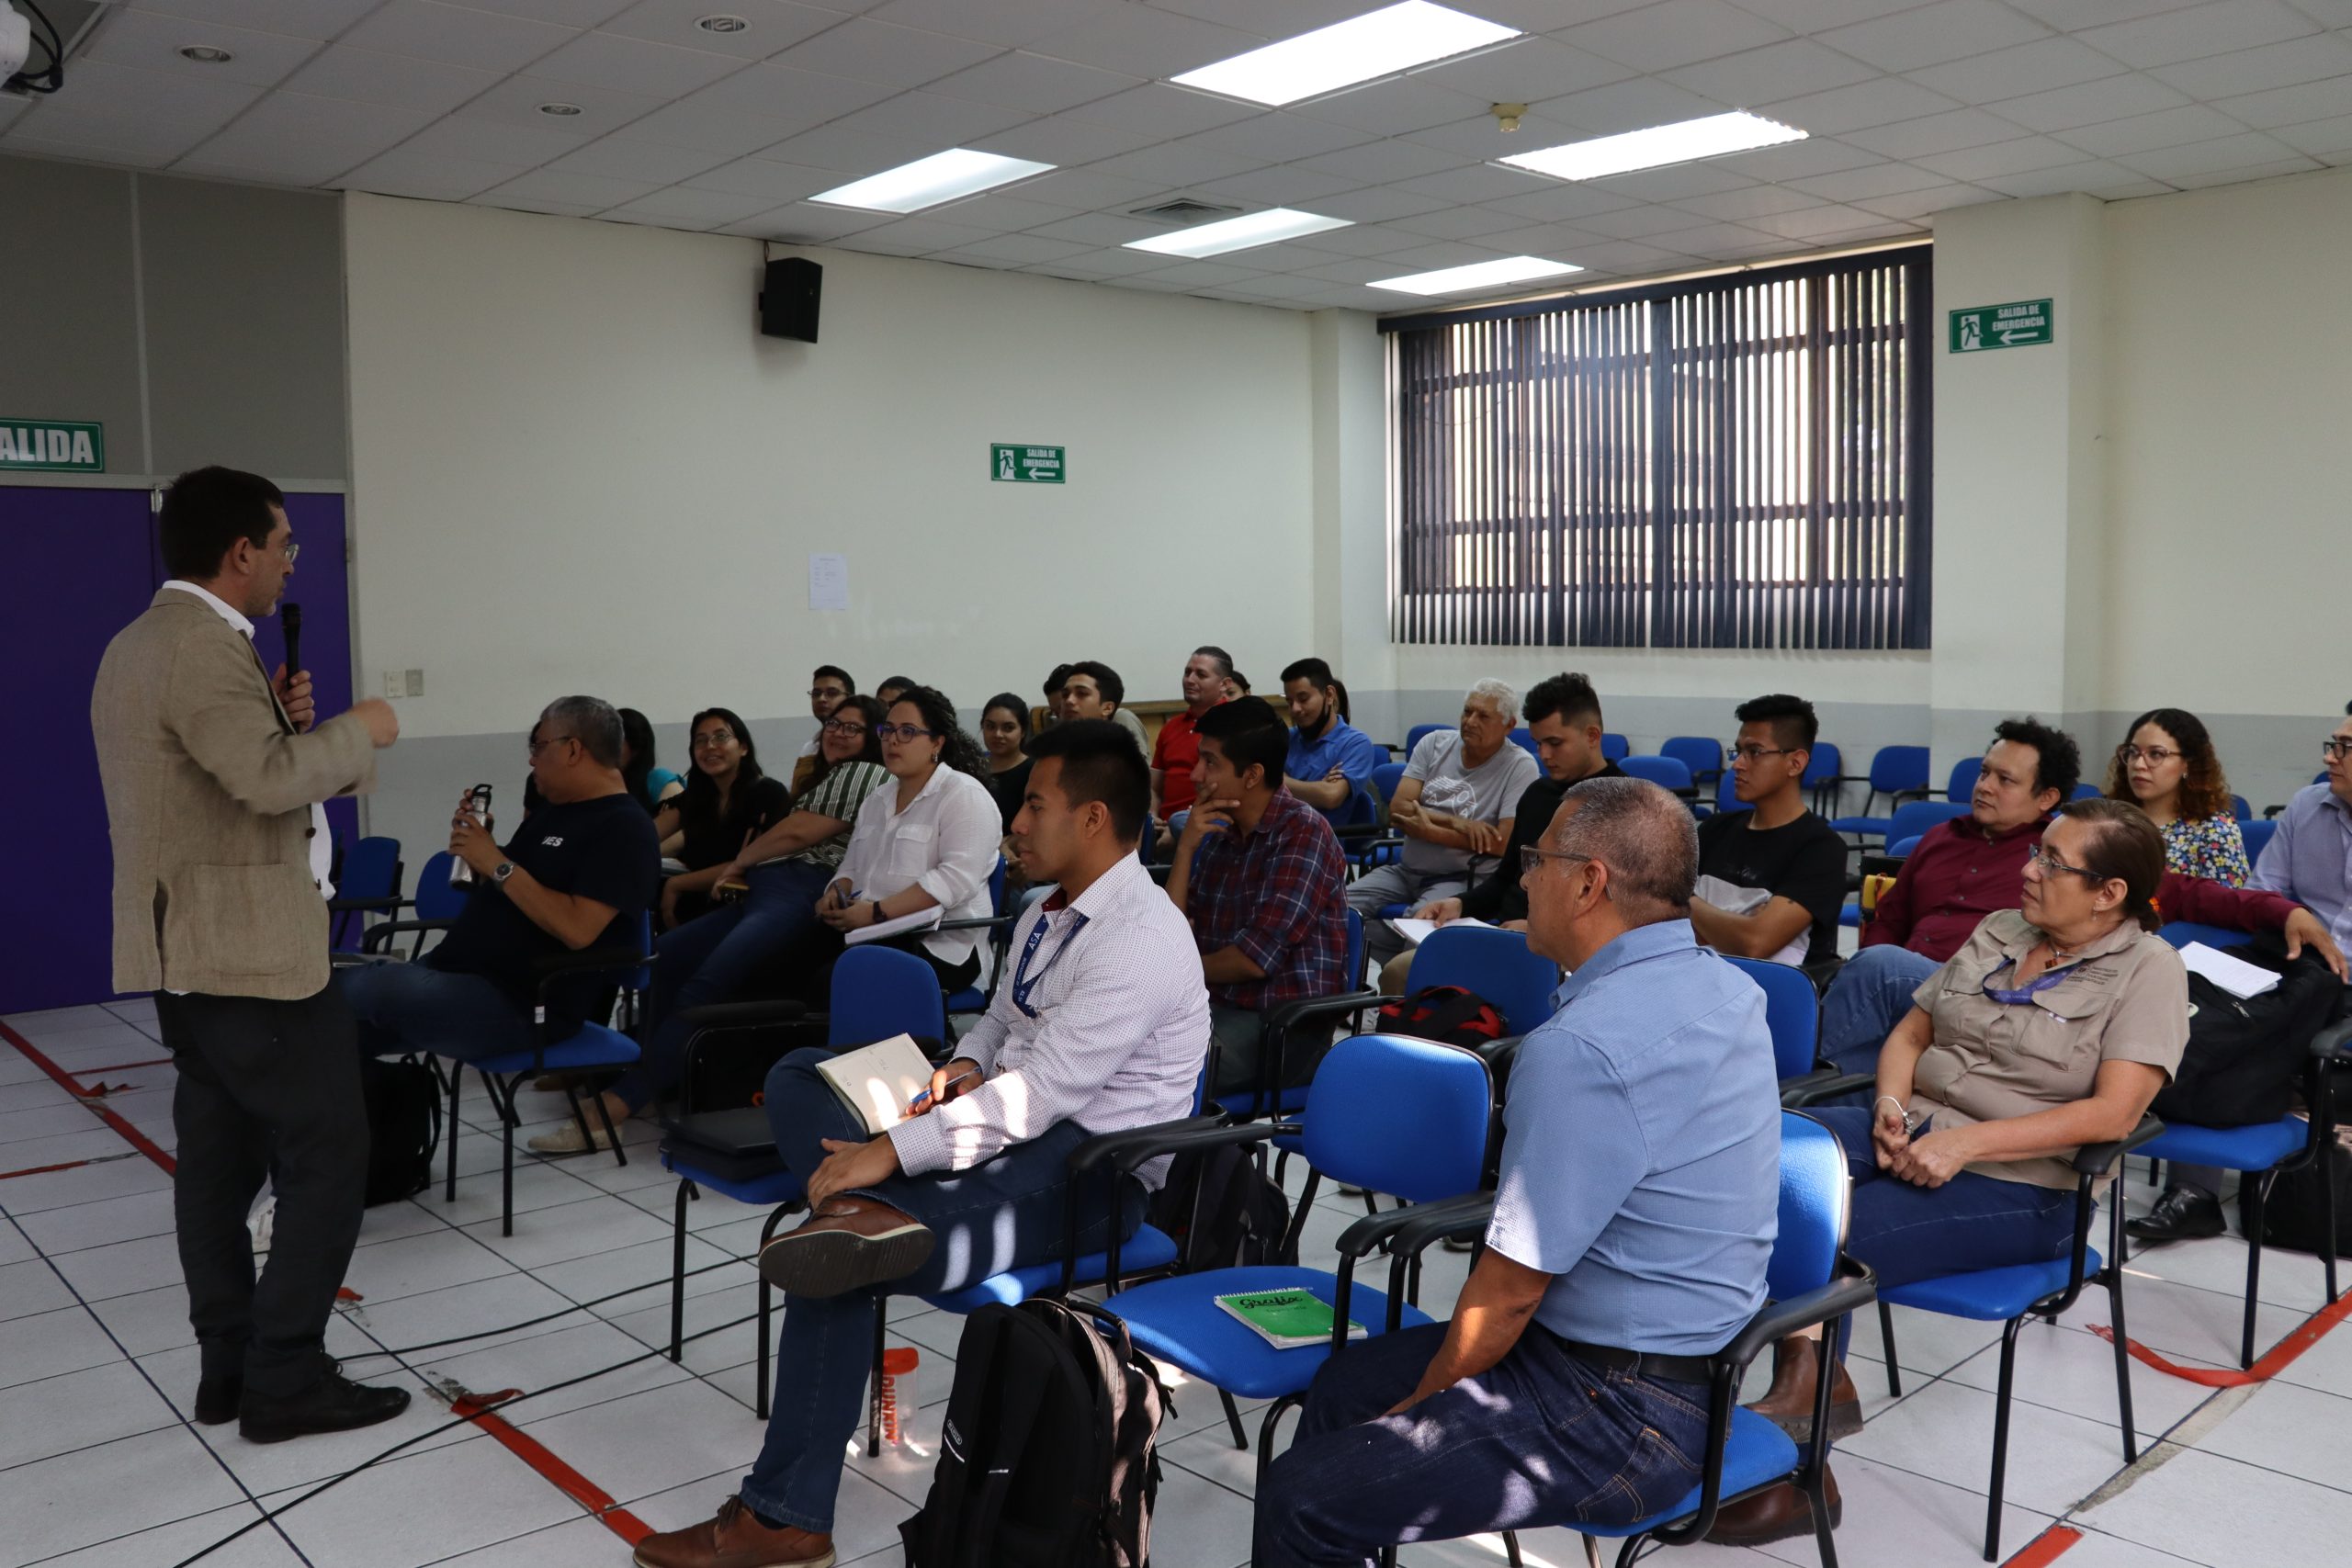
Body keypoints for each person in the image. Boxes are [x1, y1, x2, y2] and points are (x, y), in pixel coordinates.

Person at [633, 720, 1209, 1568]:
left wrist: (895, 1150)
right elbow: (1001, 1023)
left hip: (1088, 1174)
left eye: (1033, 805)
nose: (1016, 823)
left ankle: (785, 1515)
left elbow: (1044, 1094)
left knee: (837, 1258)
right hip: (1003, 1133)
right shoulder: (1046, 911)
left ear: (1093, 818)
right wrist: (963, 1067)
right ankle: (866, 1210)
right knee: (798, 1071)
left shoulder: (1140, 937)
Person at [1255, 777, 1780, 1566]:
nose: (1524, 877)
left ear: (1589, 882)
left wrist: (1420, 1411)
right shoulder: (1729, 986)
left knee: (1304, 1495)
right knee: (1343, 1387)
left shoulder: (1584, 1048)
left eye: (1537, 859)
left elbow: (1508, 1294)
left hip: (1626, 1413)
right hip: (1684, 1368)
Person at [1715, 799, 2188, 1544]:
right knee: (1749, 1165)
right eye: (2036, 852)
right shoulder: (2002, 928)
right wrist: (1890, 1104)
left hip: (2028, 1186)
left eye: (2052, 862)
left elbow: (2113, 1114)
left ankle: (1801, 1474)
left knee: (1824, 1233)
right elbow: (1910, 1033)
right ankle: (1795, 1388)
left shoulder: (2149, 970)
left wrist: (1966, 1145)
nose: (2029, 870)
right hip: (1918, 1125)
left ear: (2109, 892)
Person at [91, 465, 406, 1443]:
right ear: (240, 552)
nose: (288, 563)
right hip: (249, 959)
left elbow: (214, 779)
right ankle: (286, 1374)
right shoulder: (200, 643)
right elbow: (270, 783)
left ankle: (229, 1366)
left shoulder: (140, 642)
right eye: (282, 546)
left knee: (218, 1162)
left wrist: (274, 715)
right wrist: (360, 731)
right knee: (330, 1150)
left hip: (189, 952)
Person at [1819, 718, 2337, 1080]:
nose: (1985, 787)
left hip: (1992, 995)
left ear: (2046, 798)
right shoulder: (1939, 838)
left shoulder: (2071, 856)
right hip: (1915, 986)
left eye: (2005, 780)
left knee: (1875, 969)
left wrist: (2288, 910)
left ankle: (1816, 1090)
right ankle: (1850, 1093)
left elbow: (2198, 895)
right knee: (1864, 970)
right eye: (1983, 772)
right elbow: (1890, 920)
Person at [537, 697, 888, 1153]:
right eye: (834, 724)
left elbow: (797, 833)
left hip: (799, 888)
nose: (837, 732)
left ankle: (615, 1107)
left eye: (852, 728)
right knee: (667, 957)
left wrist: (738, 863)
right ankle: (650, 1081)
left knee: (707, 984)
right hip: (766, 886)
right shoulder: (817, 777)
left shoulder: (862, 771)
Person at [339, 696, 662, 1082]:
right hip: (457, 973)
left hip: (522, 1003)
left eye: (538, 746)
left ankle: (295, 992)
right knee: (329, 1035)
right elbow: (511, 885)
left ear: (573, 750)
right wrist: (480, 854)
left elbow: (578, 929)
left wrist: (496, 862)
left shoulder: (625, 828)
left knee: (373, 985)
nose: (532, 760)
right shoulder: (554, 811)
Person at [2132, 711, 2352, 1243]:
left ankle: (2197, 1190)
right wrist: (2290, 918)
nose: (2330, 757)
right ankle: (2194, 1192)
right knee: (2200, 1013)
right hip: (2291, 961)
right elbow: (2262, 891)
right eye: (2332, 744)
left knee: (2248, 1037)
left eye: (2345, 748)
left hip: (2341, 986)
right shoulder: (2308, 805)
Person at [1385, 671, 1621, 993]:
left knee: (1417, 976)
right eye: (1538, 743)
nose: (1544, 755)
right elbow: (1504, 881)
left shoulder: (1624, 804)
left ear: (1592, 736)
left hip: (1570, 955)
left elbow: (1620, 909)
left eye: (1555, 743)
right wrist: (1460, 904)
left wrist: (1542, 929)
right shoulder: (1537, 794)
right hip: (1507, 934)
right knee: (1399, 972)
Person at [1165, 697, 1349, 1099]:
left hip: (1283, 1030)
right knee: (1119, 1045)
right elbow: (1171, 935)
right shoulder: (1221, 834)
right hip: (1213, 1007)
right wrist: (1186, 848)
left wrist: (1173, 973)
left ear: (1252, 775)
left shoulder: (1303, 833)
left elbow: (1252, 960)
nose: (1196, 774)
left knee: (1152, 1065)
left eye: (1210, 763)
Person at [810, 684, 1002, 996]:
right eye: (887, 730)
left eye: (908, 731)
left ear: (937, 742)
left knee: (831, 984)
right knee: (788, 960)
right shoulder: (877, 799)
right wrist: (835, 892)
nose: (893, 740)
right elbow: (851, 866)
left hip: (938, 941)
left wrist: (875, 912)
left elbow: (954, 881)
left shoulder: (963, 795)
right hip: (871, 930)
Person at [1351, 681, 1540, 970]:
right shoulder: (1434, 743)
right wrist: (1458, 823)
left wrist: (1428, 830)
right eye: (1467, 712)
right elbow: (1399, 809)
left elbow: (1502, 843)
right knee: (1337, 907)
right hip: (1405, 870)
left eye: (1483, 716)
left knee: (1419, 929)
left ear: (1509, 725)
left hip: (1460, 878)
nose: (1470, 721)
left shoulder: (1519, 766)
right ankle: (1383, 971)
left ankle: (1402, 983)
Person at [1689, 694, 1849, 969]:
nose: (1738, 764)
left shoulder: (1821, 848)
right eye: (1738, 751)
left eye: (1755, 752)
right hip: (1695, 977)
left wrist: (1685, 903)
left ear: (1795, 763)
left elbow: (1755, 943)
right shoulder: (1715, 829)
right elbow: (1663, 920)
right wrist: (1737, 923)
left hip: (1766, 989)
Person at [653, 707, 791, 930]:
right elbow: (644, 837)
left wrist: (676, 884)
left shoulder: (768, 793)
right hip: (696, 901)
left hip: (745, 904)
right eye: (700, 740)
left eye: (721, 737)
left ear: (743, 747)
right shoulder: (697, 797)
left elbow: (750, 863)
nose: (709, 746)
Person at [2103, 707, 2249, 885]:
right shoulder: (2108, 820)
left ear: (2187, 764)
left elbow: (2227, 900)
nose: (2139, 764)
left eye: (2156, 754)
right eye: (2133, 752)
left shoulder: (2213, 830)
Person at [1281, 657, 1380, 828]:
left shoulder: (1355, 743)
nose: (1295, 709)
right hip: (1277, 834)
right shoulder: (1285, 738)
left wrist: (1277, 782)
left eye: (1303, 699)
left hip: (1321, 839)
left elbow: (1330, 796)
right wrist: (1317, 788)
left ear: (1329, 695)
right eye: (1290, 702)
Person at [1150, 645, 1232, 838]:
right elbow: (1154, 788)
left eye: (1201, 675)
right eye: (1187, 673)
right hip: (1163, 827)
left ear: (1224, 684)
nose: (1190, 680)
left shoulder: (1236, 724)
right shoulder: (1171, 727)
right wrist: (1152, 816)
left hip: (1207, 826)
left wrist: (1181, 830)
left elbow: (1231, 793)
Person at [1057, 659, 1150, 755]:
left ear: (1107, 708)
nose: (1069, 700)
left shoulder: (1119, 755)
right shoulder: (1053, 750)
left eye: (1082, 693)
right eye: (1065, 694)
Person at [789, 666, 854, 794]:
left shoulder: (856, 744)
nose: (821, 699)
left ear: (850, 699)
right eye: (816, 694)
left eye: (832, 693)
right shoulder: (810, 748)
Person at [978, 691, 1034, 834]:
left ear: (1023, 731)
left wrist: (1013, 841)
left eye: (1008, 728)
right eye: (991, 727)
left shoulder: (1035, 771)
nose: (998, 734)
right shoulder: (972, 768)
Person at [620, 706, 683, 811]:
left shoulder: (658, 779)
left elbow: (685, 818)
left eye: (614, 742)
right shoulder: (607, 785)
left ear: (636, 748)